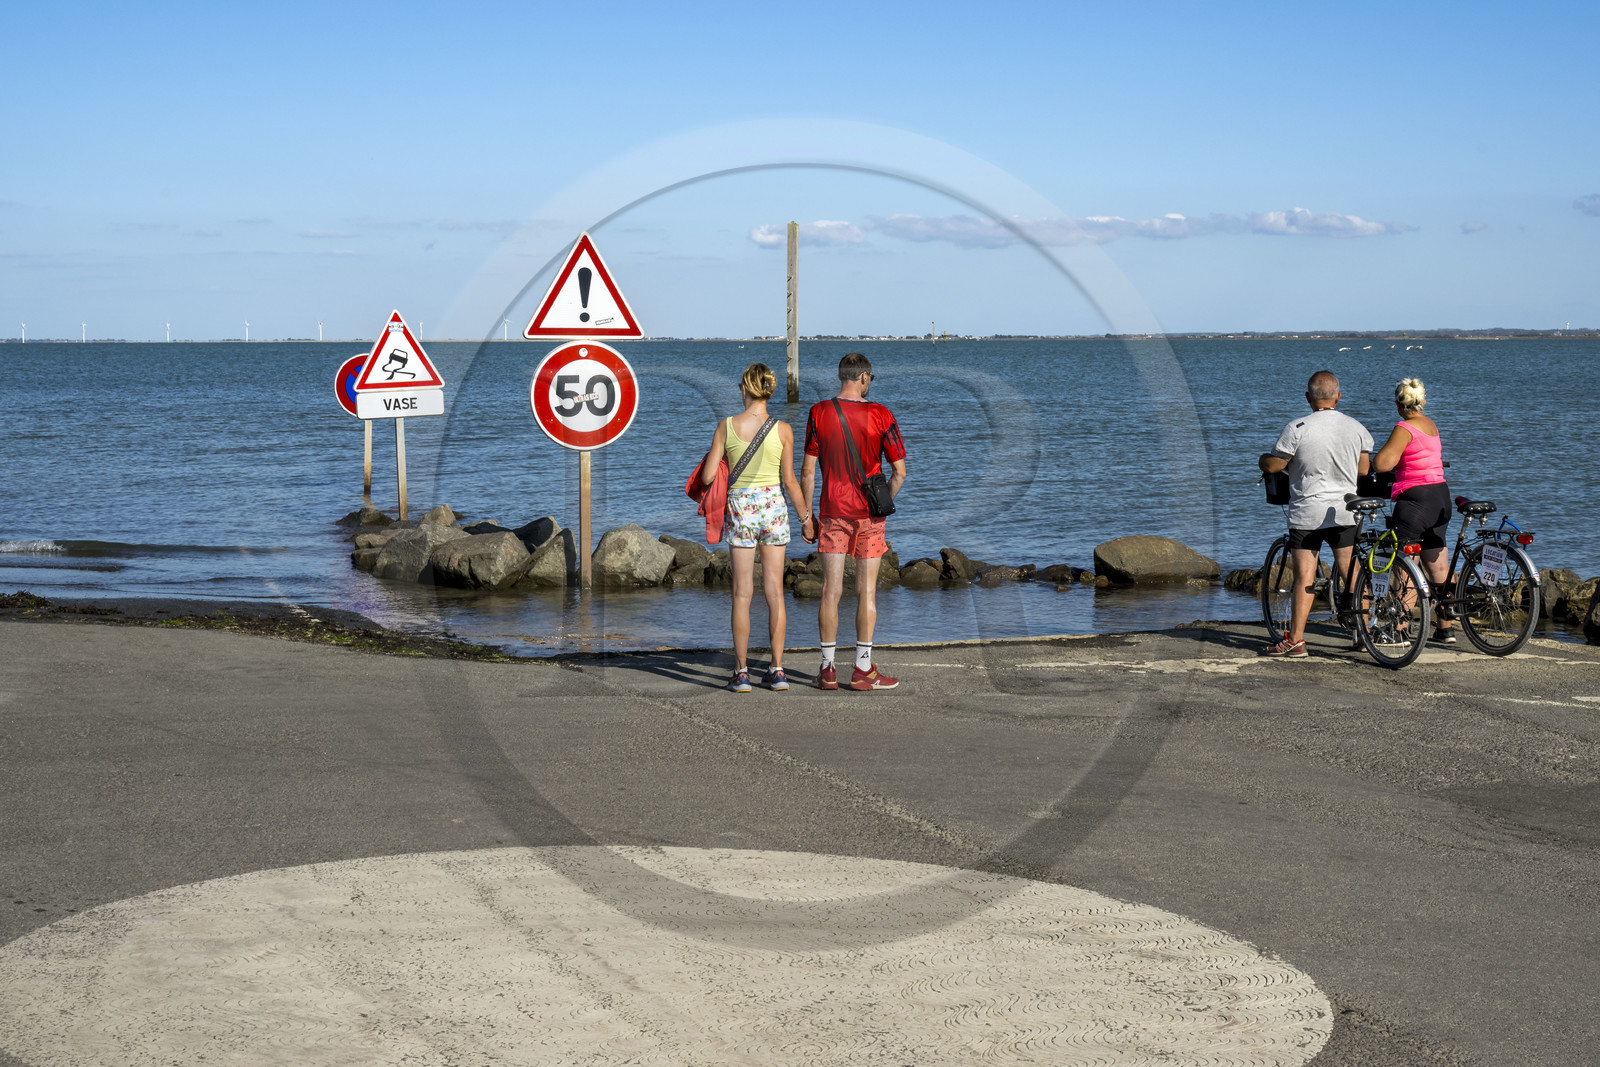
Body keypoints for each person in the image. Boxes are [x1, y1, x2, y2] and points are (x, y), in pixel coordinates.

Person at [699, 363, 812, 692]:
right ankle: (777, 671)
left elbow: (707, 478)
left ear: (744, 389)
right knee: (775, 593)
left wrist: (720, 461)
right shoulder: (784, 430)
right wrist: (806, 518)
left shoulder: (726, 427)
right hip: (773, 508)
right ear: (770, 391)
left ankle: (742, 672)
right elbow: (790, 482)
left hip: (741, 510)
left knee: (742, 594)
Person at [800, 353, 908, 690]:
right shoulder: (880, 414)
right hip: (869, 516)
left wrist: (806, 516)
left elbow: (806, 471)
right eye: (870, 378)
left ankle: (828, 669)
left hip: (833, 511)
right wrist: (883, 502)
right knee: (867, 592)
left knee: (830, 590)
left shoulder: (819, 412)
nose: (870, 383)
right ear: (862, 377)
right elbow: (899, 472)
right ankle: (862, 669)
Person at [1258, 370, 1373, 658]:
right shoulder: (1356, 427)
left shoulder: (1297, 428)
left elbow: (1274, 466)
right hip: (1345, 510)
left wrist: (1264, 460)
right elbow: (1363, 470)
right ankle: (1365, 634)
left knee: (1305, 577)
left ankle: (1296, 641)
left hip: (1307, 513)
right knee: (1352, 573)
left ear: (1308, 397)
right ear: (1338, 396)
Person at [1372, 377, 1454, 642]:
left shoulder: (1404, 427)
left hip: (1416, 500)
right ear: (1423, 402)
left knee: (1404, 566)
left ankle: (1400, 630)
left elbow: (1383, 463)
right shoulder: (1431, 424)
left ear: (1398, 404)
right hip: (1440, 495)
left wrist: (1377, 461)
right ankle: (1445, 628)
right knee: (1438, 567)